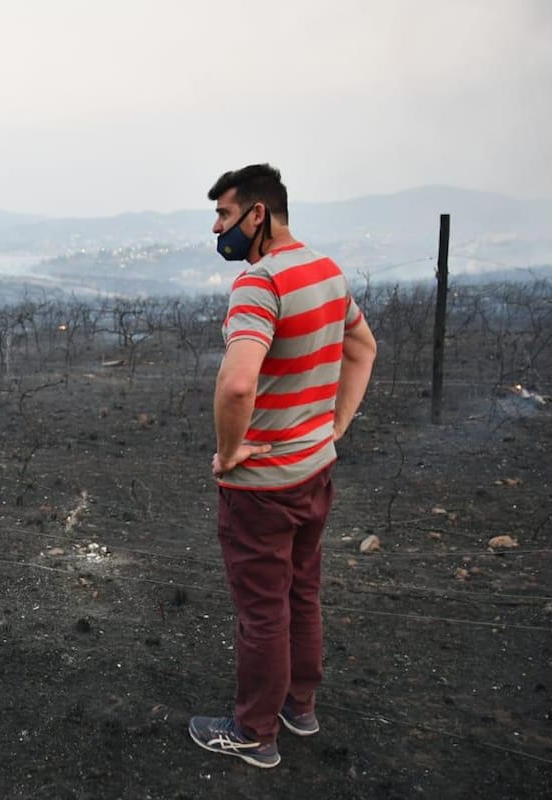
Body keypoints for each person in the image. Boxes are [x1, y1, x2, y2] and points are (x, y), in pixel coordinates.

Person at [188, 164, 377, 769]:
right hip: (314, 472)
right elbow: (362, 347)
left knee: (262, 609)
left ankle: (253, 733)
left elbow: (238, 383)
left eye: (224, 215)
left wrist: (231, 449)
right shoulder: (327, 271)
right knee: (303, 591)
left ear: (257, 214)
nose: (218, 228)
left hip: (263, 486)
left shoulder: (259, 285)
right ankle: (300, 706)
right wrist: (336, 426)